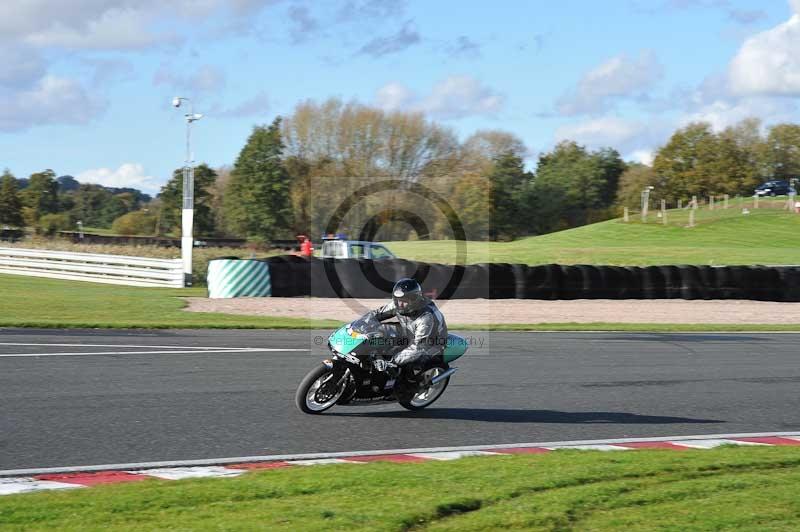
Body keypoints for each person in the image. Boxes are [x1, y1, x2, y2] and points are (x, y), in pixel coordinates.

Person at [365, 278, 448, 378]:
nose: (400, 304)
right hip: (409, 331)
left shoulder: (426, 317)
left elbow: (418, 347)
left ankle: (409, 387)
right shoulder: (398, 305)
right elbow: (376, 314)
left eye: (404, 301)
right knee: (380, 330)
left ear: (414, 300)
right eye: (398, 300)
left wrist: (392, 361)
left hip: (431, 342)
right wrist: (360, 325)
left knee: (410, 365)